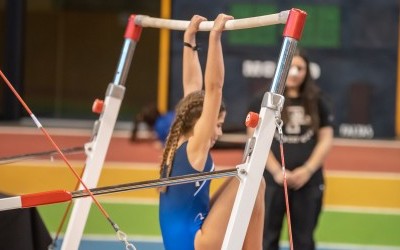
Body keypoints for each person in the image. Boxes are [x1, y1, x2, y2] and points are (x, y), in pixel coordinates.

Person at [159, 14, 266, 250]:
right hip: (194, 241)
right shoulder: (197, 145)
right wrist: (215, 37)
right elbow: (214, 88)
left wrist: (189, 40)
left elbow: (191, 86)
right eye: (217, 124)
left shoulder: (179, 136)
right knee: (254, 180)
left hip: (182, 239)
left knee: (246, 177)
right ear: (201, 121)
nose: (218, 131)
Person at [247, 48, 334, 250]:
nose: (294, 72)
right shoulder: (263, 100)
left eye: (299, 68)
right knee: (266, 239)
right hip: (271, 182)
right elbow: (253, 139)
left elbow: (326, 139)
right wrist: (277, 171)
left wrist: (307, 170)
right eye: (290, 67)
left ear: (307, 72)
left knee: (303, 241)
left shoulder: (320, 100)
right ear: (281, 69)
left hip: (308, 183)